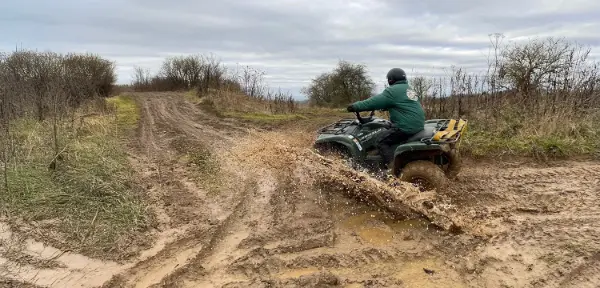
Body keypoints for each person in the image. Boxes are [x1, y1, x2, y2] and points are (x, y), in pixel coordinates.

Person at [347, 68, 425, 169]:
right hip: (417, 124)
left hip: (405, 127)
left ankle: (392, 168)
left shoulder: (392, 91)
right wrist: (386, 106)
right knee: (388, 129)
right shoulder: (408, 88)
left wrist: (354, 106)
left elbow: (372, 102)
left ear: (390, 80)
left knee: (380, 141)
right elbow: (403, 104)